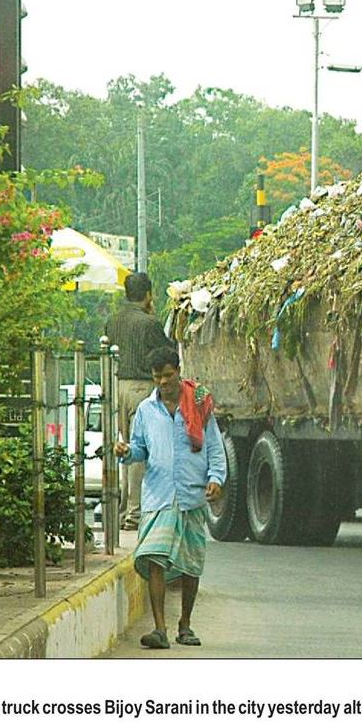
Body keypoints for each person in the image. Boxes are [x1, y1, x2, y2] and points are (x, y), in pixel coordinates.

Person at [114, 346, 226, 649]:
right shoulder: (146, 411)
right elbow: (139, 449)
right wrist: (126, 452)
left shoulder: (199, 405)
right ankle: (160, 629)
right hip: (158, 497)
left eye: (167, 375)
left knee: (191, 565)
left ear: (178, 371)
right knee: (154, 558)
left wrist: (216, 478)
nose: (163, 382)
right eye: (157, 377)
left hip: (192, 495)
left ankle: (185, 625)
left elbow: (214, 448)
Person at [105, 272, 175, 531]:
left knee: (124, 449)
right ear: (148, 294)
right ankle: (135, 514)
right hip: (140, 389)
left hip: (116, 388)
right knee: (139, 450)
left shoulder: (112, 321)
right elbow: (168, 354)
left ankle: (123, 511)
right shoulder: (150, 323)